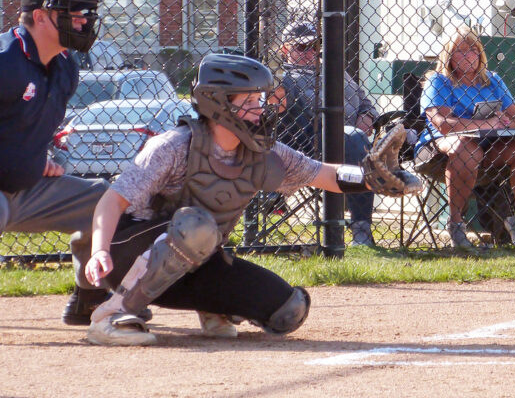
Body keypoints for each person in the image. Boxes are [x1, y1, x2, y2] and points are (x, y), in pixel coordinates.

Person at [81, 53, 419, 346]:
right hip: (124, 257)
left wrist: (374, 180)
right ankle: (112, 315)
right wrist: (98, 250)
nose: (261, 110)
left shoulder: (262, 152)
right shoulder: (174, 147)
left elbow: (322, 174)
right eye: (250, 102)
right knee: (195, 227)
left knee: (288, 310)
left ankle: (212, 306)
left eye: (260, 100)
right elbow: (112, 202)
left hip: (192, 261)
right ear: (218, 103)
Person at [0, 0, 117, 326]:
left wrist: (46, 155)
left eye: (85, 14)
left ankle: (91, 297)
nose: (82, 22)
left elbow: (35, 124)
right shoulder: (5, 62)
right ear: (39, 16)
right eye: (71, 13)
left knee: (104, 200)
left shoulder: (66, 65)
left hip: (30, 189)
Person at [415, 26, 515, 248]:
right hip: (442, 149)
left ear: (481, 54)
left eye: (473, 50)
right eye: (460, 51)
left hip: (490, 146)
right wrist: (486, 123)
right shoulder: (439, 81)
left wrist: (503, 122)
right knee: (467, 149)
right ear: (449, 56)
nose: (468, 55)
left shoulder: (493, 80)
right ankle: (455, 225)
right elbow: (442, 124)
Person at [277, 21, 379, 246]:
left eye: (315, 45)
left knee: (357, 137)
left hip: (354, 136)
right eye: (302, 47)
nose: (311, 52)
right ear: (285, 49)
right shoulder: (285, 79)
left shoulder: (333, 69)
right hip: (312, 143)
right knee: (353, 138)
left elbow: (366, 102)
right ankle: (361, 230)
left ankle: (362, 229)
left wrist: (367, 116)